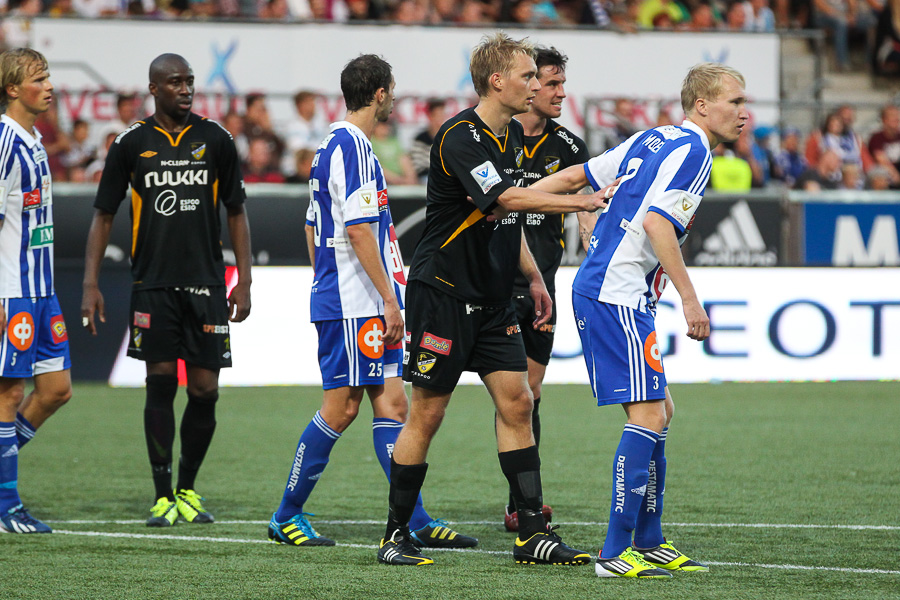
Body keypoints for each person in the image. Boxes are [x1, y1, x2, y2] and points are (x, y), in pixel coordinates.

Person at [377, 32, 608, 567]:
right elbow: (503, 198)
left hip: (494, 298)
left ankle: (532, 534)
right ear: (496, 80)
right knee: (427, 415)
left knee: (519, 402)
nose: (536, 83)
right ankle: (395, 535)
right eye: (528, 75)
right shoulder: (460, 135)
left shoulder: (506, 137)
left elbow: (507, 220)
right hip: (444, 295)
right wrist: (579, 202)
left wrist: (532, 276)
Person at [531, 61, 748, 578]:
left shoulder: (654, 139)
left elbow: (579, 176)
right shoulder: (695, 152)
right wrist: (691, 302)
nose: (744, 113)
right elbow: (657, 223)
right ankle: (613, 552)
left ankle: (649, 541)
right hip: (616, 293)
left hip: (612, 289)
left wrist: (518, 200)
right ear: (702, 105)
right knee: (647, 416)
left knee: (661, 412)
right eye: (735, 102)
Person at [268, 54, 477, 551]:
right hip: (355, 302)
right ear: (380, 93)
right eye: (393, 90)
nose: (395, 98)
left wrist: (328, 277)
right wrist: (387, 299)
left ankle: (416, 519)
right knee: (341, 409)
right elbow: (360, 229)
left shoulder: (329, 146)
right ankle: (286, 514)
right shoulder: (356, 148)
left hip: (349, 295)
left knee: (393, 403)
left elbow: (311, 227)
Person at [81, 53, 252, 527]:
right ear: (153, 88)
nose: (185, 88)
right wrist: (91, 283)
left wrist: (245, 279)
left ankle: (188, 488)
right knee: (159, 383)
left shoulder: (216, 139)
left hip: (207, 284)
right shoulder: (130, 144)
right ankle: (162, 496)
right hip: (152, 283)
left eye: (189, 81)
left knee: (205, 389)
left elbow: (236, 212)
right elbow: (103, 214)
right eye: (175, 82)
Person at [500, 45, 588, 533]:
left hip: (541, 288)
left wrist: (594, 234)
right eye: (551, 83)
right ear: (528, 85)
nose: (559, 92)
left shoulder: (570, 148)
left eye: (559, 83)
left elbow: (588, 200)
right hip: (491, 283)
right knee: (441, 399)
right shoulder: (495, 135)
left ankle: (520, 502)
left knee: (529, 394)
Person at [0, 47, 73, 535]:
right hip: (11, 290)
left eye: (48, 76)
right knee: (9, 392)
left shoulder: (35, 140)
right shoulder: (4, 142)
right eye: (38, 78)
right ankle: (7, 505)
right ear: (12, 89)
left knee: (56, 390)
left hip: (43, 288)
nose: (48, 85)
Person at [409, 98, 447, 182]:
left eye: (442, 115)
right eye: (438, 115)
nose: (441, 118)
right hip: (427, 178)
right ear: (430, 116)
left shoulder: (449, 138)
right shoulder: (421, 139)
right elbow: (419, 168)